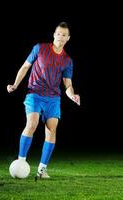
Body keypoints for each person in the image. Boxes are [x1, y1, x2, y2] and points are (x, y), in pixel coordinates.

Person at [7, 22, 80, 180]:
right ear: (54, 34)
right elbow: (25, 66)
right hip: (35, 93)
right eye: (58, 34)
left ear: (68, 38)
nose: (60, 37)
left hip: (53, 98)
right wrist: (15, 84)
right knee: (32, 124)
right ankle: (21, 161)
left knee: (51, 130)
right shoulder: (40, 48)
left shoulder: (68, 61)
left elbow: (68, 84)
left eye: (64, 35)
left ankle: (42, 169)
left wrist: (73, 95)